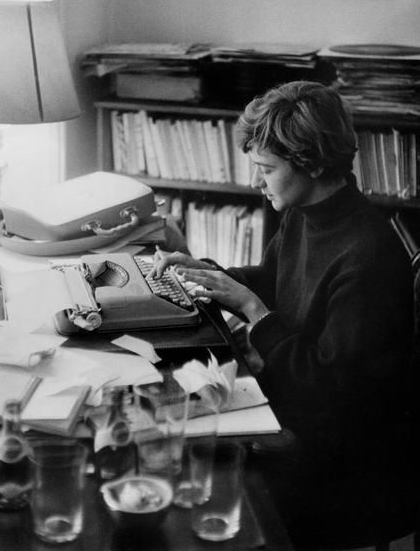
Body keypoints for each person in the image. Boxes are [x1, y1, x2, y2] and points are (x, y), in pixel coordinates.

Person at [151, 80, 416, 545]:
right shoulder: (304, 211)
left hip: (344, 459)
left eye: (266, 169)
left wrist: (253, 311)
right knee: (168, 416)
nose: (256, 183)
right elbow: (274, 279)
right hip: (299, 406)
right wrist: (207, 273)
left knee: (190, 462)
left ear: (310, 163)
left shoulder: (367, 257)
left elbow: (333, 394)